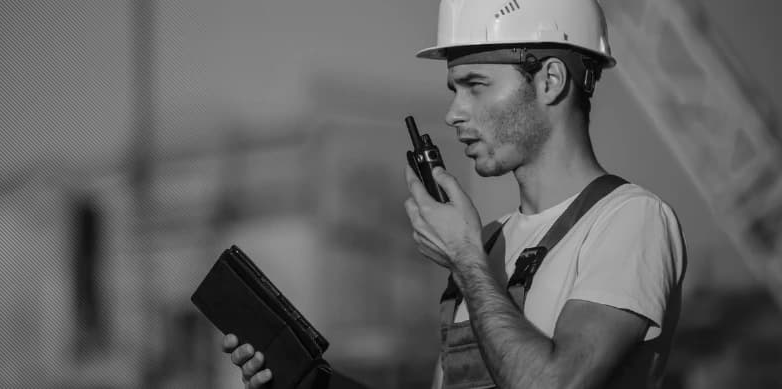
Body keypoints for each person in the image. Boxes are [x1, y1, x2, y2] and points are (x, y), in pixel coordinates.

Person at [222, 0, 686, 388]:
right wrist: (307, 382)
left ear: (550, 80)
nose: (453, 113)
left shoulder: (629, 221)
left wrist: (465, 261)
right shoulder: (486, 243)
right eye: (452, 89)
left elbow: (555, 382)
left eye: (475, 86)